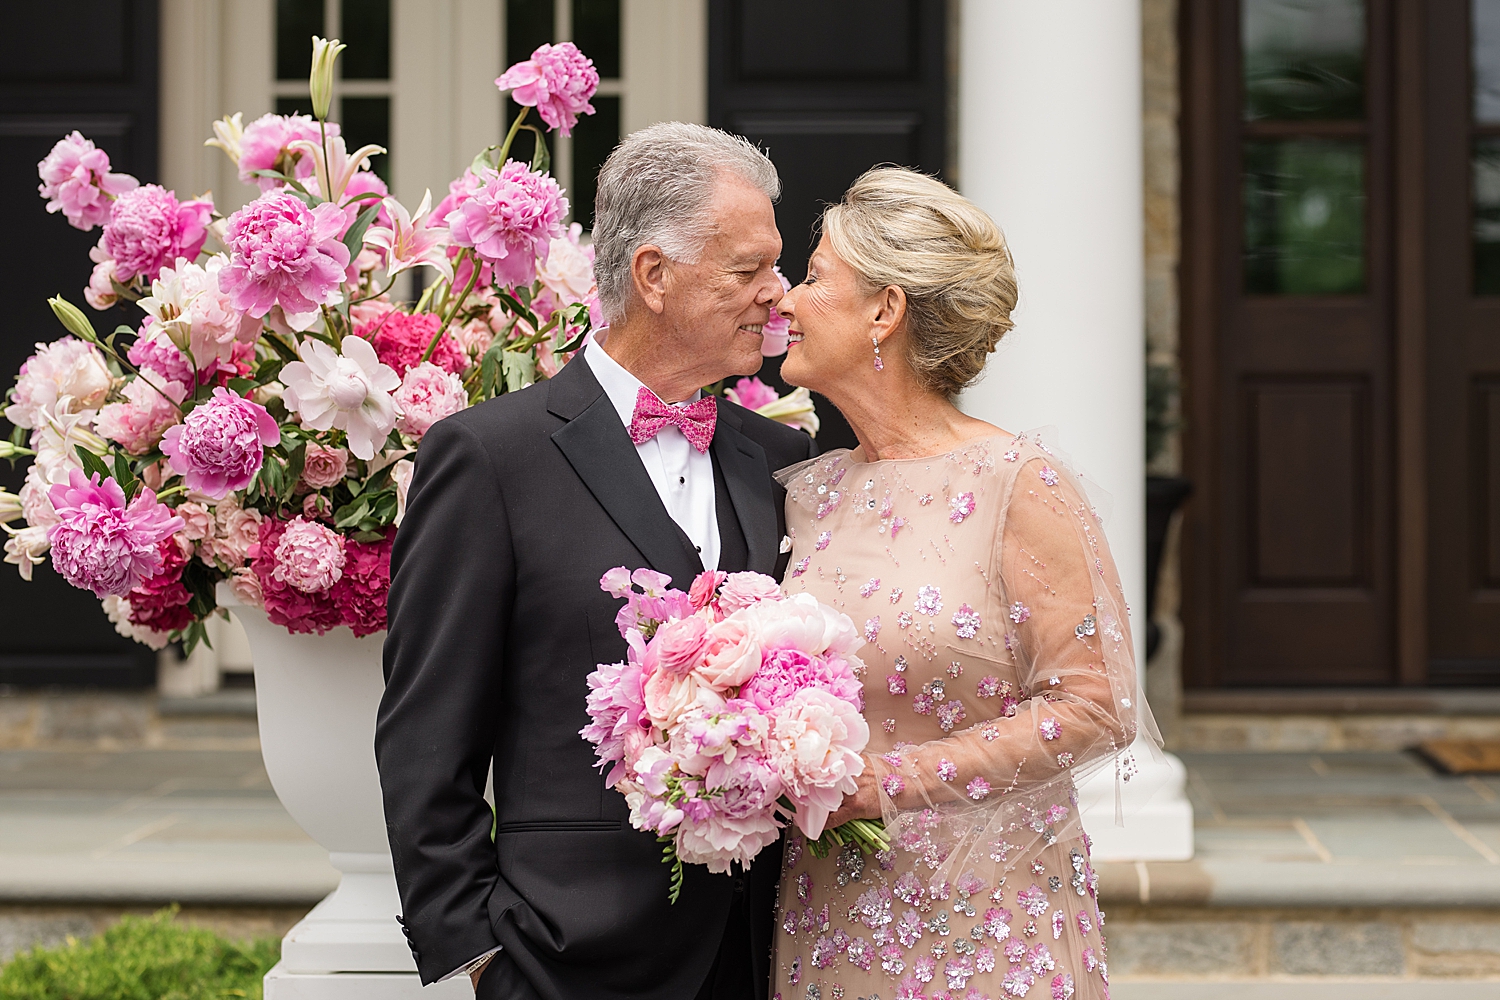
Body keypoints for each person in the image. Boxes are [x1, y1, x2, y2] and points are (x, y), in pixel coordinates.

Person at [375, 122, 816, 1000]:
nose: (779, 294)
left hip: (762, 950)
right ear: (653, 275)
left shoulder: (778, 459)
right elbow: (427, 732)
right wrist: (481, 952)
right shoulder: (488, 458)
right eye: (749, 269)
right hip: (560, 956)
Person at [769, 167, 1153, 999]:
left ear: (885, 309)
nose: (786, 302)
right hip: (830, 911)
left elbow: (1096, 705)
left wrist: (882, 785)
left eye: (812, 277)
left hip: (985, 923)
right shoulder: (812, 491)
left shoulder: (1020, 481)